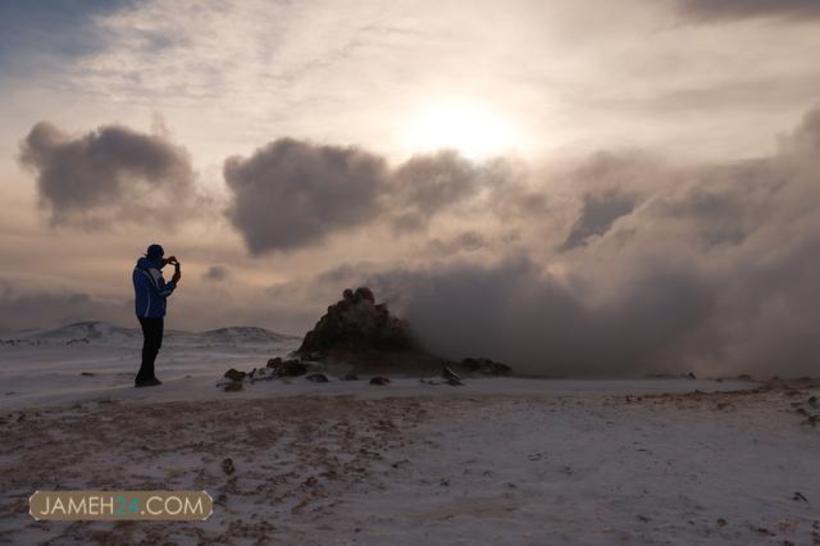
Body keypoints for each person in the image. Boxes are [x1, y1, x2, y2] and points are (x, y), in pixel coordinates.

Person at [132, 244, 181, 387]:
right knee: (153, 345)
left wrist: (165, 262)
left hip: (142, 311)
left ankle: (147, 376)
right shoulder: (153, 271)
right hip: (152, 312)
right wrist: (174, 281)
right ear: (158, 255)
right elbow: (163, 292)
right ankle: (144, 377)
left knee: (149, 344)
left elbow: (154, 266)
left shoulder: (140, 267)